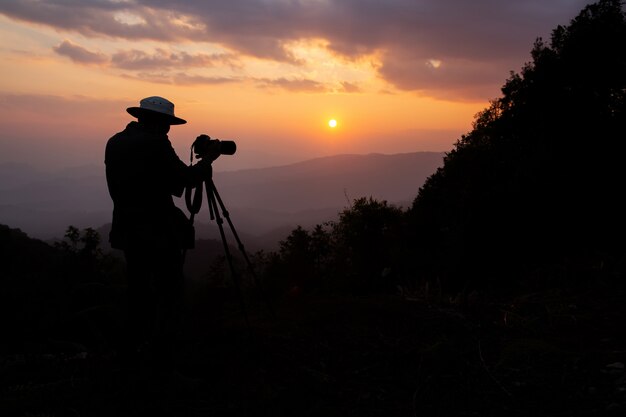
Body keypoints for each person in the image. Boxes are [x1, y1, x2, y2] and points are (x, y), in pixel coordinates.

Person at [105, 96, 219, 372]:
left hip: (126, 228)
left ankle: (130, 352)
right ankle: (163, 356)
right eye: (167, 124)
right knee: (169, 291)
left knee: (138, 291)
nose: (168, 130)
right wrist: (207, 162)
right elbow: (183, 178)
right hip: (156, 231)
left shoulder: (115, 141)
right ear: (160, 123)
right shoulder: (156, 143)